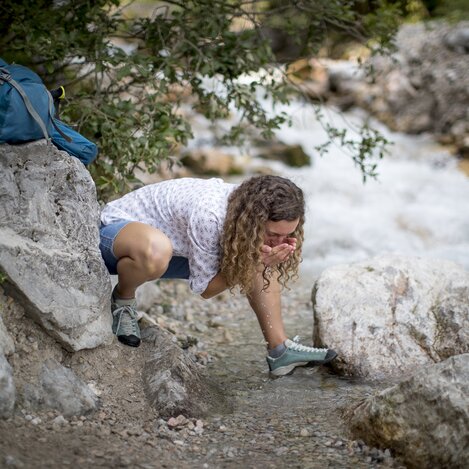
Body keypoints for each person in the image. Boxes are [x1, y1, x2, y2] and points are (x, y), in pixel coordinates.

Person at [99, 175, 337, 376]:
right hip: (114, 237)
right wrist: (255, 262)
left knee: (260, 257)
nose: (280, 241)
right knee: (159, 251)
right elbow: (207, 290)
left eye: (287, 235)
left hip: (170, 248)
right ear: (254, 220)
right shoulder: (209, 215)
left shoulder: (243, 213)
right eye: (273, 233)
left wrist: (262, 259)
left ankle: (280, 350)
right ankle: (123, 300)